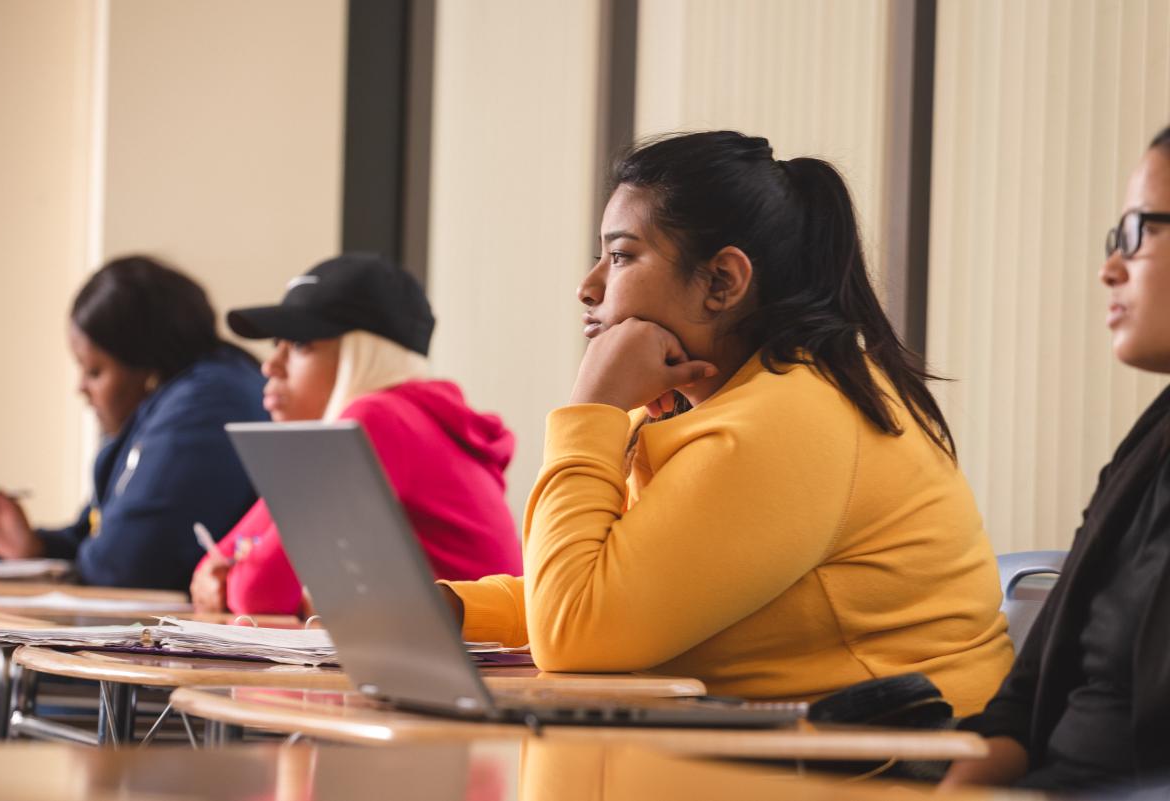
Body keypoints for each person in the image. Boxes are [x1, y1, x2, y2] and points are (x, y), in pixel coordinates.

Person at [438, 130, 1013, 716]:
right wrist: (449, 612)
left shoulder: (793, 418)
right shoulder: (736, 403)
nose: (588, 288)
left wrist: (593, 410)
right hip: (792, 751)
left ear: (722, 281)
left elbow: (575, 632)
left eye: (620, 256)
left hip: (891, 768)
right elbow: (610, 587)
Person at [941, 127, 1170, 792]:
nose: (1110, 268)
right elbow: (1033, 686)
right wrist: (977, 772)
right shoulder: (1153, 436)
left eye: (1138, 232)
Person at [190, 253, 522, 617]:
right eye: (276, 345)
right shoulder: (402, 419)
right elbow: (217, 563)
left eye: (300, 345)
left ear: (359, 357)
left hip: (474, 668)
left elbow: (258, 596)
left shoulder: (378, 419)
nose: (271, 365)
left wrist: (243, 581)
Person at [0, 256, 267, 590]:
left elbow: (126, 563)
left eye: (94, 371)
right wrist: (32, 547)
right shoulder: (166, 405)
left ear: (147, 365)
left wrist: (80, 558)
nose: (80, 388)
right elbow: (97, 538)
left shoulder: (208, 402)